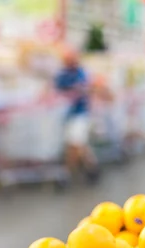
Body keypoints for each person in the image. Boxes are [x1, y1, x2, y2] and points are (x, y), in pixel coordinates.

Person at [55, 48, 99, 181]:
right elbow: (56, 90)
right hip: (67, 115)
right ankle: (87, 168)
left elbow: (86, 89)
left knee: (77, 143)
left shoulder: (81, 73)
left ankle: (71, 171)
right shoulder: (62, 74)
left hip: (80, 113)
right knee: (75, 144)